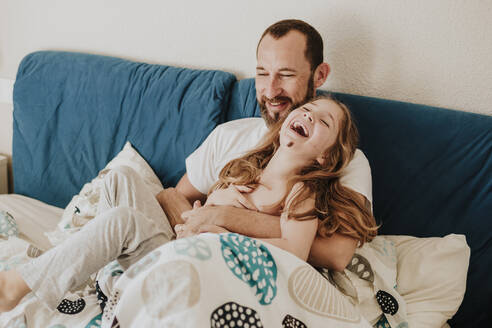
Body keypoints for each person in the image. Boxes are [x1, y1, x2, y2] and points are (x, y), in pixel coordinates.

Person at [0, 96, 376, 313]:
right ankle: (105, 275)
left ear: (326, 158)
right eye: (307, 108)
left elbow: (295, 250)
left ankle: (15, 286)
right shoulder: (247, 165)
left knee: (123, 221)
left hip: (195, 265)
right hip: (177, 243)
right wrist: (196, 215)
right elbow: (181, 202)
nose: (308, 114)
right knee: (120, 178)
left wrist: (224, 230)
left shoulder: (301, 192)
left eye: (323, 121)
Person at [161, 19, 373, 271]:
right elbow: (172, 196)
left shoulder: (345, 159)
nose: (271, 90)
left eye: (286, 74)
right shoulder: (229, 135)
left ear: (320, 75)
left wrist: (225, 219)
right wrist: (197, 223)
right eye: (262, 73)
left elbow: (335, 254)